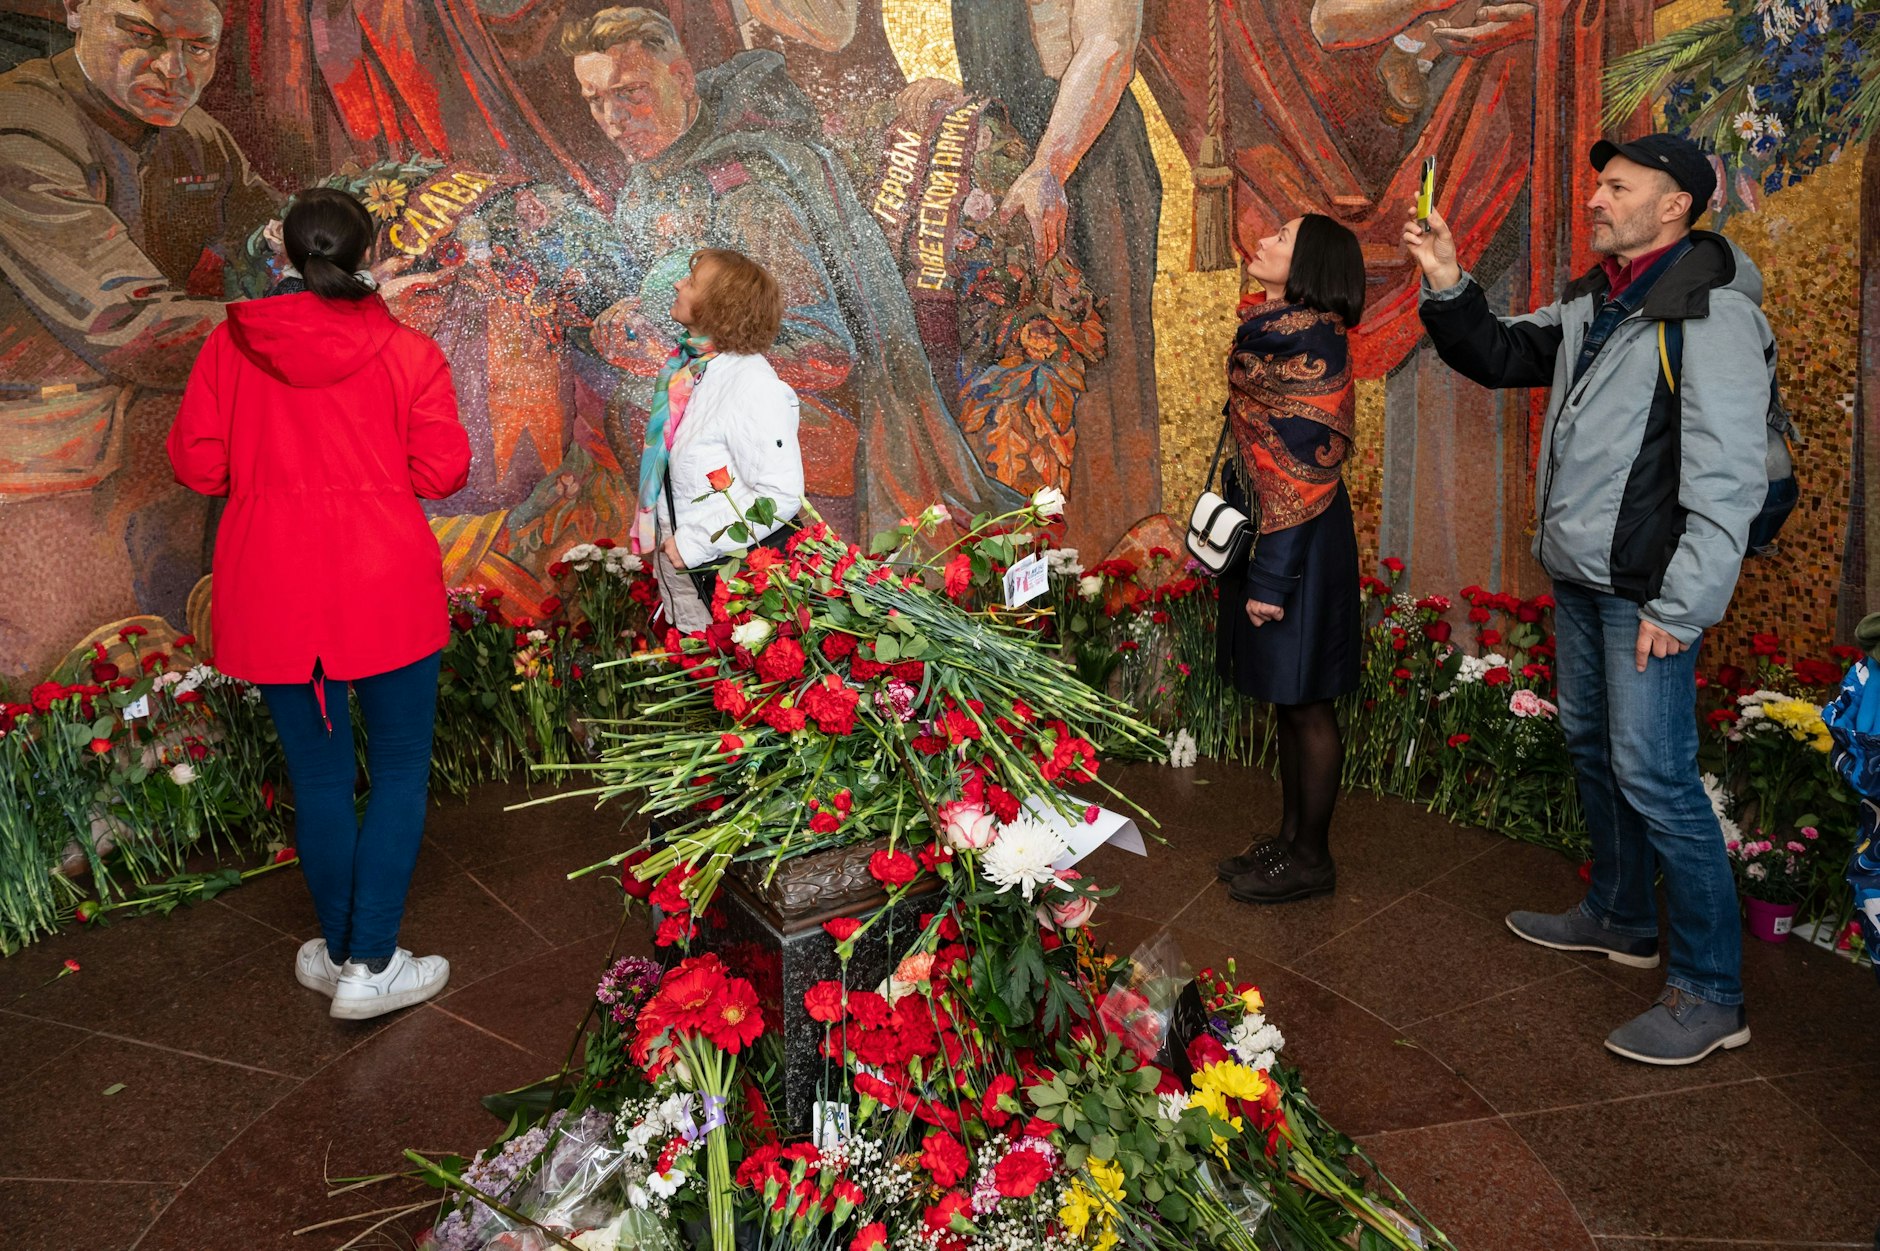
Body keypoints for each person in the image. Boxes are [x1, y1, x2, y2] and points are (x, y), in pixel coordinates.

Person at [1404, 133, 1774, 1066]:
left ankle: (1711, 991)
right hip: (1582, 576)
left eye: (1618, 187)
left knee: (1657, 776)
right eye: (1598, 185)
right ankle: (1618, 914)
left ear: (1675, 205)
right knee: (1592, 746)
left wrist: (1680, 605)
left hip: (1649, 593)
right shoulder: (1597, 300)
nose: (1597, 200)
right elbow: (1495, 354)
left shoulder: (1710, 313)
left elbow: (1728, 479)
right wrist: (1447, 279)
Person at [167, 188, 472, 1021]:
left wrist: (272, 475)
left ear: (291, 256)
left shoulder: (231, 346)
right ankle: (371, 961)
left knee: (321, 778)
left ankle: (342, 952)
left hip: (272, 584)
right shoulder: (407, 351)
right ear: (368, 253)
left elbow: (197, 465)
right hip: (384, 580)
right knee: (402, 770)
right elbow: (444, 469)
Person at [562, 7, 1018, 544]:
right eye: (596, 101)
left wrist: (676, 357)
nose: (614, 120)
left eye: (629, 92)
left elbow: (826, 356)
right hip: (741, 401)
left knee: (642, 405)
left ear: (681, 79)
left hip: (844, 417)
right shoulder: (647, 186)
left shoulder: (747, 190)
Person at [0, 0, 279, 682]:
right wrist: (314, 326)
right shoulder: (21, 129)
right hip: (38, 446)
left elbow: (271, 229)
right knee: (70, 693)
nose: (172, 70)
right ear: (75, 11)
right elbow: (126, 325)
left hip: (154, 426)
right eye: (141, 36)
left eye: (200, 49)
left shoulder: (195, 135)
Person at [1211, 214, 1368, 905]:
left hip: (1297, 540)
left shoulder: (1314, 342)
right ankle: (1288, 837)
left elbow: (1301, 474)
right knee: (1288, 699)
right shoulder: (1278, 332)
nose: (1263, 240)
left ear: (1308, 262)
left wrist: (1270, 579)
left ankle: (1313, 857)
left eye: (1281, 237)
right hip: (1275, 532)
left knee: (1307, 705)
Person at [638, 248, 804, 634]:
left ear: (719, 306)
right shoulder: (690, 373)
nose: (678, 284)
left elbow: (781, 495)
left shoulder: (752, 385)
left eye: (691, 282)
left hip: (733, 593)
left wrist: (693, 543)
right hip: (694, 589)